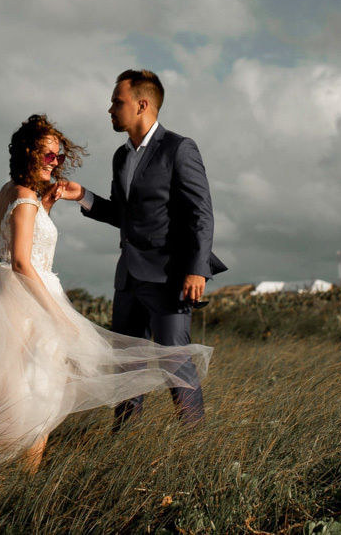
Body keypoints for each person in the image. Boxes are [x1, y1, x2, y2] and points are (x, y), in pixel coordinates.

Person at [0, 114, 210, 482]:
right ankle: (24, 482)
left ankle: (10, 475)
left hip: (18, 300)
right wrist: (58, 312)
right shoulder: (22, 197)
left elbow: (24, 244)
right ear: (28, 153)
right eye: (48, 155)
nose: (55, 161)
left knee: (28, 390)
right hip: (34, 302)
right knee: (39, 392)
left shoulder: (14, 192)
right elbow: (21, 260)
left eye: (58, 156)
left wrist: (53, 205)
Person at [53, 69, 227, 426]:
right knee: (125, 367)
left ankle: (194, 441)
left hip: (170, 277)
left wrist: (197, 269)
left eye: (118, 102)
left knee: (174, 360)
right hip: (129, 278)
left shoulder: (179, 148)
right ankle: (125, 442)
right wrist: (82, 196)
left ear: (142, 104)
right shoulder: (121, 157)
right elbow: (123, 216)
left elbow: (202, 213)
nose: (110, 109)